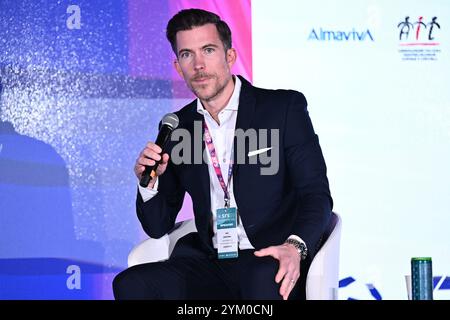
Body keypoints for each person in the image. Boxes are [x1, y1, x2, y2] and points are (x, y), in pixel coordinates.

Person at [113, 8, 332, 300]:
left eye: (208, 50)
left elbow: (316, 194)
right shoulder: (179, 128)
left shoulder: (282, 109)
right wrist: (149, 184)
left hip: (270, 254)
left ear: (229, 56)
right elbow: (157, 226)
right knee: (131, 284)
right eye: (187, 55)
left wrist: (295, 247)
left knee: (260, 280)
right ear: (178, 67)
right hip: (208, 260)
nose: (199, 65)